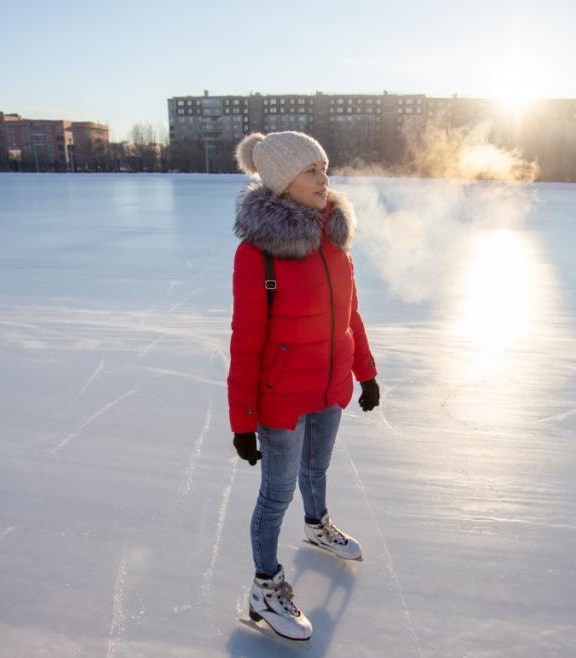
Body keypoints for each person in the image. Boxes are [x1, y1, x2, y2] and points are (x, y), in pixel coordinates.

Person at [227, 131, 380, 641]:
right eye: (312, 170)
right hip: (282, 399)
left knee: (317, 469)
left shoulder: (335, 242)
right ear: (282, 180)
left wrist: (366, 371)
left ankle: (317, 525)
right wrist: (242, 420)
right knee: (275, 494)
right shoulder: (258, 255)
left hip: (330, 384)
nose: (324, 179)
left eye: (325, 167)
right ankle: (264, 589)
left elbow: (350, 317)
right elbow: (246, 340)